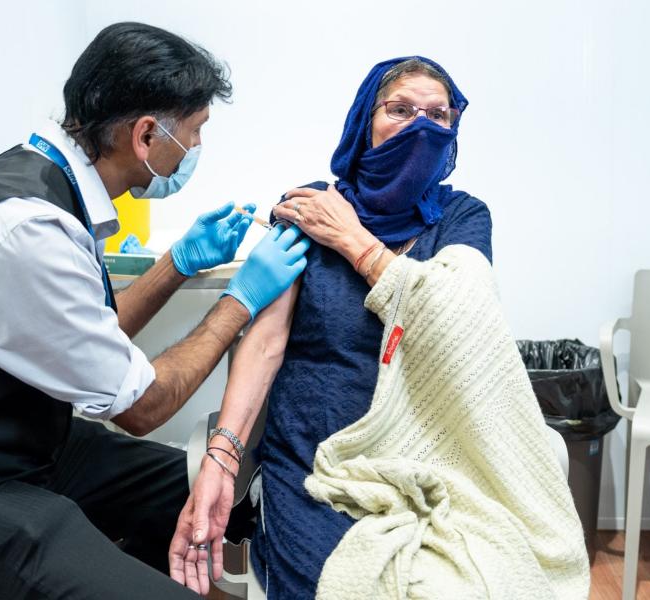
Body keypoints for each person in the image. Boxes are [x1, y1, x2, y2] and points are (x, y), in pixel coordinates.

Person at [0, 22, 309, 600]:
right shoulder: (27, 228)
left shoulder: (50, 183)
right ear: (146, 135)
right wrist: (241, 300)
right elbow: (145, 405)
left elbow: (93, 336)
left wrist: (179, 263)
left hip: (17, 444)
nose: (196, 150)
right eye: (194, 132)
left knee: (220, 496)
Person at [169, 57, 492, 598]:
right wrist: (222, 457)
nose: (421, 127)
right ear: (366, 119)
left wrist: (349, 238)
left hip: (427, 460)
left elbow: (454, 323)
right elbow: (266, 344)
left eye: (439, 116)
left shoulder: (462, 219)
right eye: (400, 110)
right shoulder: (311, 205)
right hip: (314, 460)